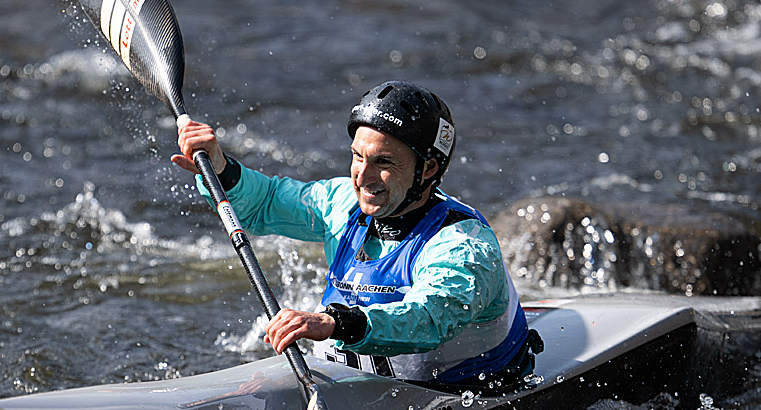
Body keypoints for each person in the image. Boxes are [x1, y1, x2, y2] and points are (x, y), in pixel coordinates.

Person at [171, 80, 541, 393]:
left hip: (467, 394)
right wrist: (219, 166)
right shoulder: (341, 204)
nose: (362, 177)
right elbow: (265, 203)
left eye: (383, 163)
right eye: (357, 157)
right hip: (366, 391)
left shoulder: (462, 244)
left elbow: (429, 318)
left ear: (427, 168)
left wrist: (333, 323)